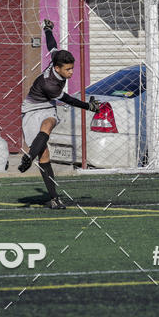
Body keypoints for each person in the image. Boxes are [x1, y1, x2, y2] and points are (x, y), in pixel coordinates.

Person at [18, 19, 100, 209]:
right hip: (31, 109)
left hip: (47, 107)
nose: (71, 72)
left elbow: (52, 46)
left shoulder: (57, 59)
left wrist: (47, 29)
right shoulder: (50, 84)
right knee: (44, 154)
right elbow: (69, 100)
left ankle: (30, 159)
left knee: (48, 124)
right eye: (68, 69)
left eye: (72, 68)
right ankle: (51, 192)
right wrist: (89, 107)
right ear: (57, 68)